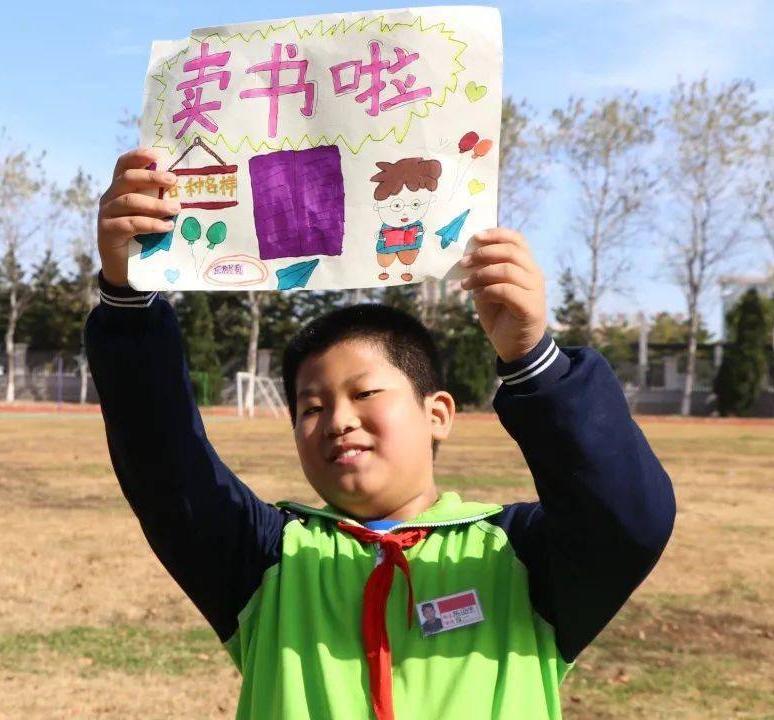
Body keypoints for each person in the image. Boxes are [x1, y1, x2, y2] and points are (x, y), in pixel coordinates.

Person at [85, 148, 675, 720]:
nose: (339, 420)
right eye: (311, 407)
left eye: (365, 395)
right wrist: (127, 295)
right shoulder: (265, 560)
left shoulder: (518, 557)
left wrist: (532, 362)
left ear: (437, 413)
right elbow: (164, 461)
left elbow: (627, 517)